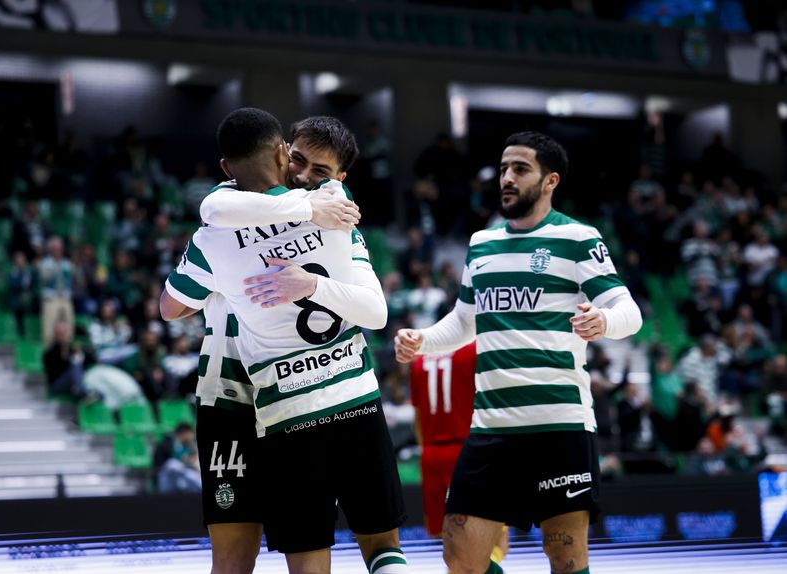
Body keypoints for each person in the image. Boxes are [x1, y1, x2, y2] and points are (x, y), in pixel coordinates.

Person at [162, 109, 408, 574]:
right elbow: (222, 205)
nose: (305, 178)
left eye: (320, 174)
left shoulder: (217, 234)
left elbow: (171, 304)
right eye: (298, 161)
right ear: (281, 154)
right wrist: (307, 210)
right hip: (242, 396)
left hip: (284, 401)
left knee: (297, 548)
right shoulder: (326, 207)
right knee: (241, 554)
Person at [395, 131, 642, 574]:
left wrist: (604, 321)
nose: (507, 178)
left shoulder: (577, 238)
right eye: (504, 168)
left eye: (520, 169)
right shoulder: (481, 244)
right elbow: (463, 323)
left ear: (550, 181)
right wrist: (422, 340)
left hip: (559, 425)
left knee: (566, 559)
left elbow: (629, 311)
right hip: (491, 427)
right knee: (460, 558)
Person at [409, 342, 509, 561]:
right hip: (469, 449)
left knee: (448, 537)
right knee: (496, 532)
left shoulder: (421, 359)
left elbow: (417, 417)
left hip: (431, 453)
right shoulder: (475, 349)